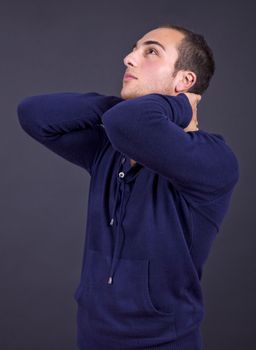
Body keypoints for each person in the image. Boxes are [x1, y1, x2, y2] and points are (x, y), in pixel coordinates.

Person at [17, 24, 240, 350]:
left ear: (185, 80)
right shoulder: (109, 148)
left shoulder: (213, 159)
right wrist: (125, 106)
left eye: (150, 51)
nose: (129, 58)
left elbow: (130, 123)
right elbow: (33, 114)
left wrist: (176, 104)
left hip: (164, 344)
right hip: (92, 339)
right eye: (134, 49)